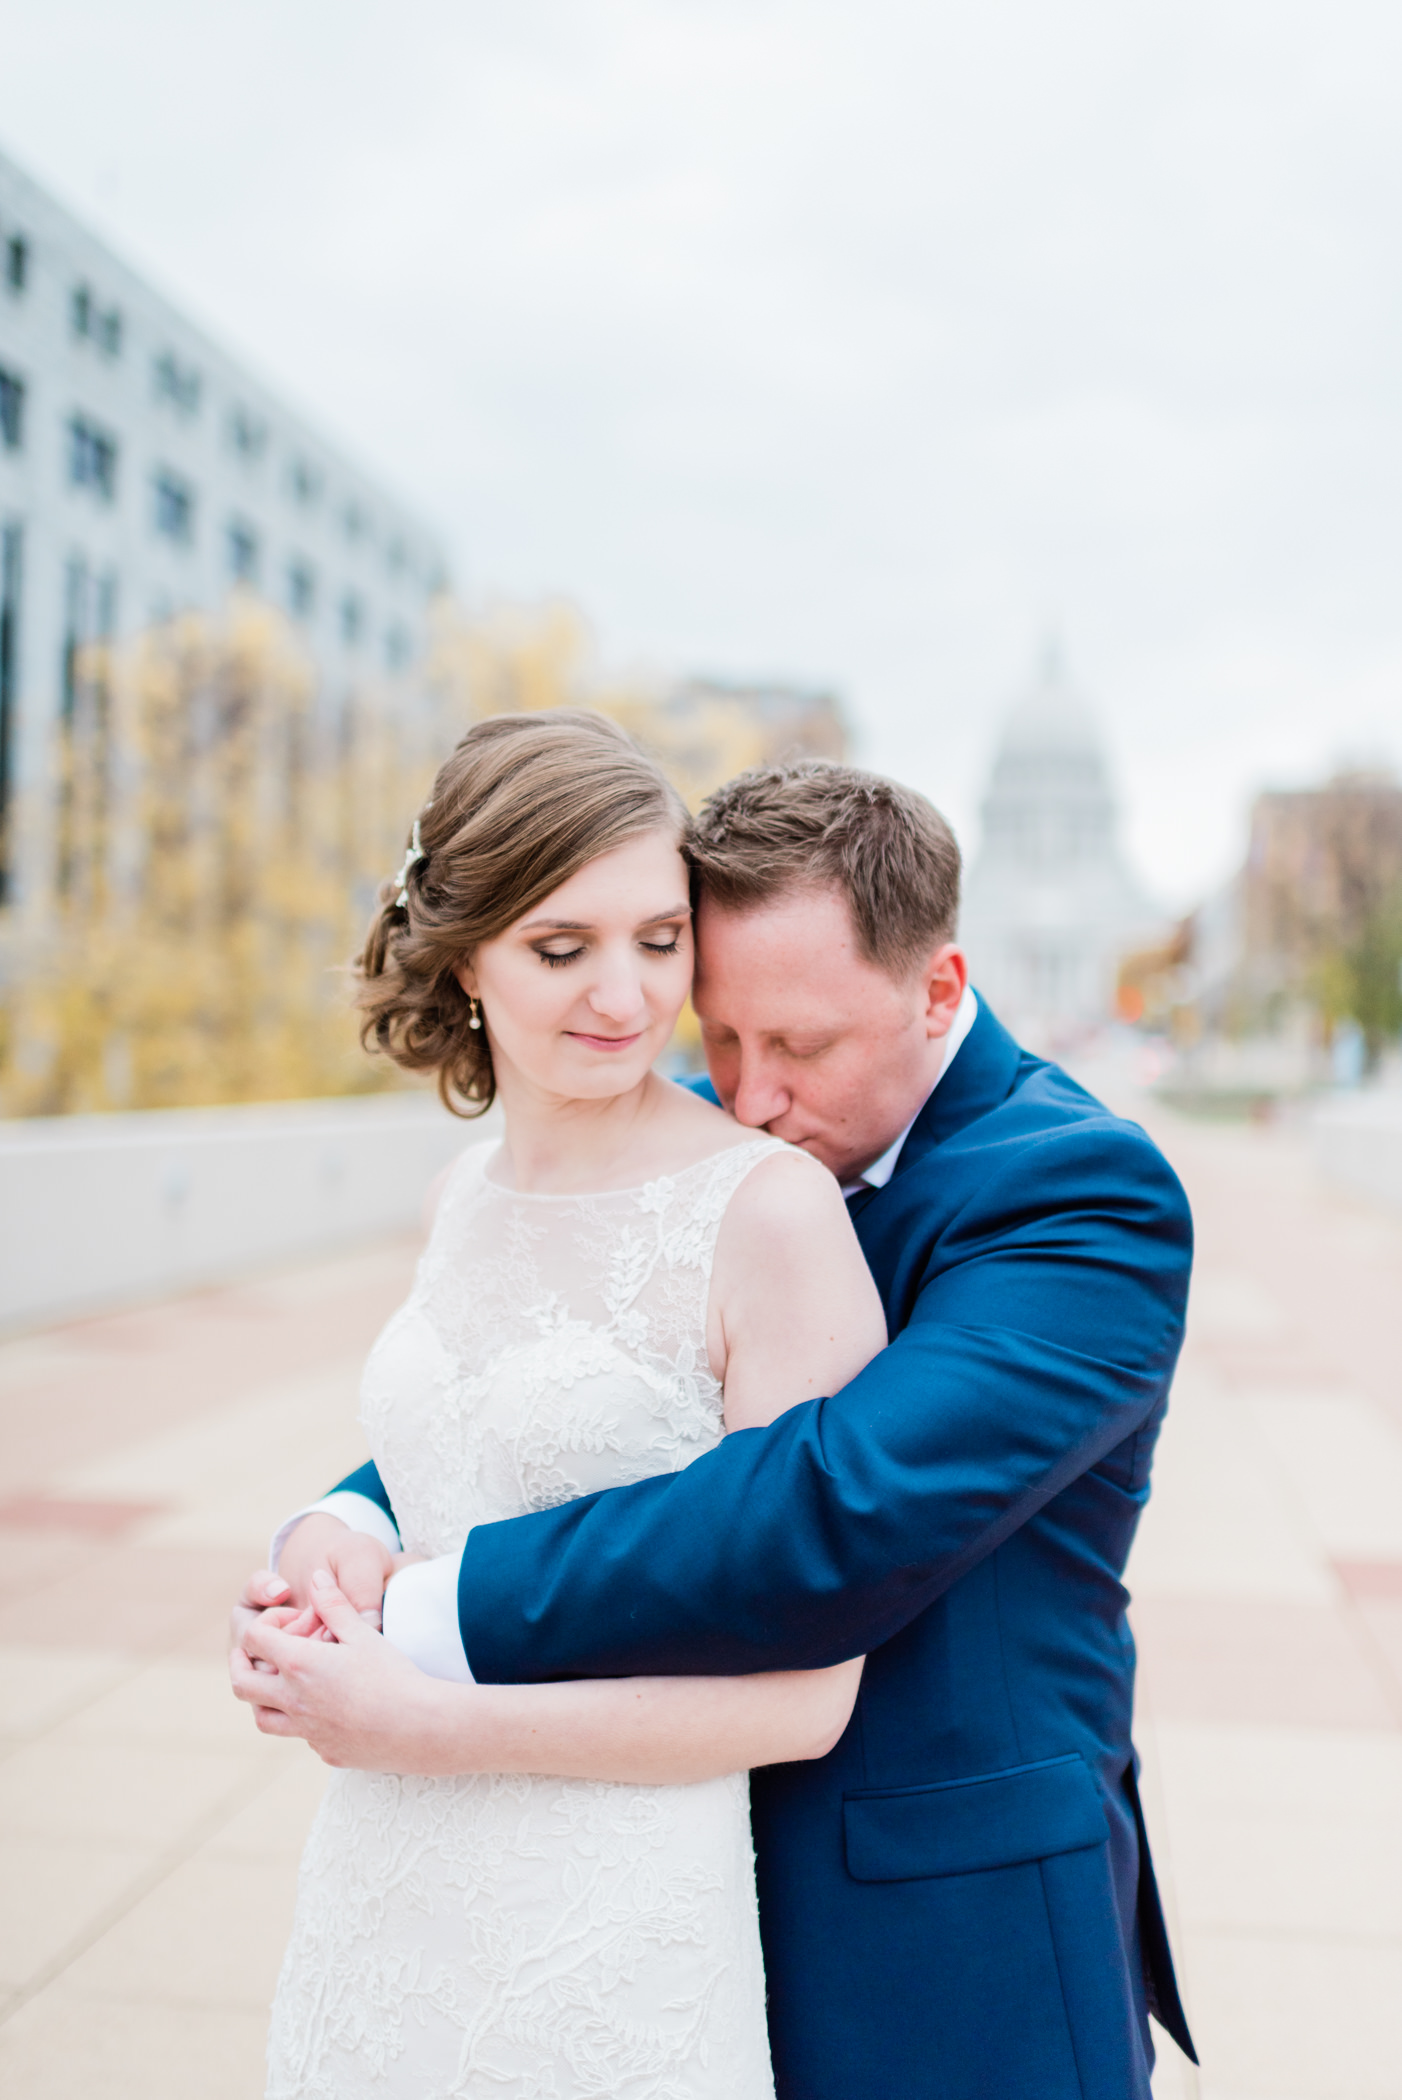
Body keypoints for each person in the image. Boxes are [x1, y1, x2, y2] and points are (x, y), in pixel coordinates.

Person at [237, 749, 1198, 2100]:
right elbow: (568, 1384)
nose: (743, 1096)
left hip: (935, 1926)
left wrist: (421, 1613)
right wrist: (355, 1512)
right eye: (720, 1035)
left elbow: (827, 1505)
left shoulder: (1078, 1196)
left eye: (797, 1046)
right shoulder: (708, 1147)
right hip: (641, 1873)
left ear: (938, 990)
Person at [238, 709, 888, 2100]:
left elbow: (806, 1693)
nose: (625, 996)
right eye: (561, 946)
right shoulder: (455, 1197)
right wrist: (327, 1546)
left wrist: (428, 1726)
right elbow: (453, 1481)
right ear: (462, 950)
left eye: (659, 940)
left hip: (611, 1929)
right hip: (382, 1887)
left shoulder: (767, 1219)